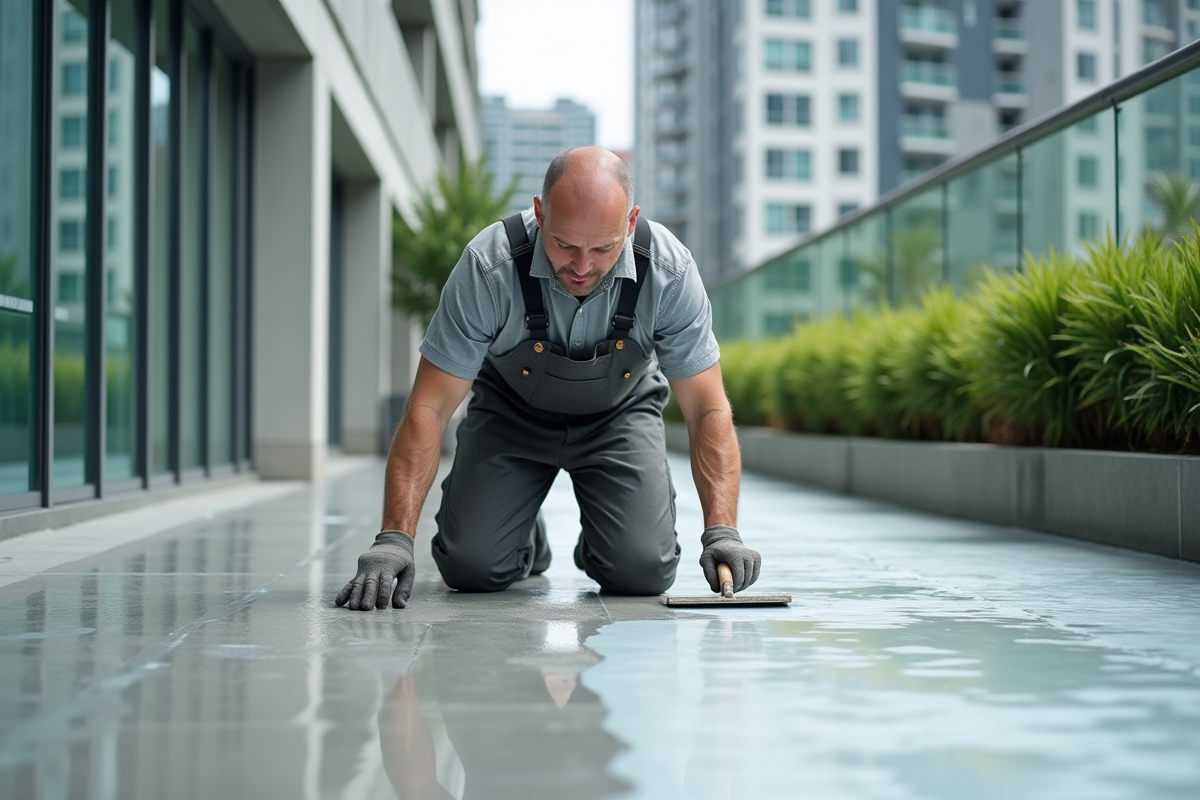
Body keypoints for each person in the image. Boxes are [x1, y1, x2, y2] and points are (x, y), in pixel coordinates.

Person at [336, 146, 761, 611]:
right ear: (540, 213)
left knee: (641, 571)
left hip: (618, 416)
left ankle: (606, 537)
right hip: (510, 414)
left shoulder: (669, 273)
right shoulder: (488, 267)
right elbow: (429, 407)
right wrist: (394, 539)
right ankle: (522, 534)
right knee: (471, 568)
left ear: (631, 222)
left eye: (602, 248)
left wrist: (722, 531)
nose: (582, 266)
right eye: (564, 244)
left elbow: (707, 408)